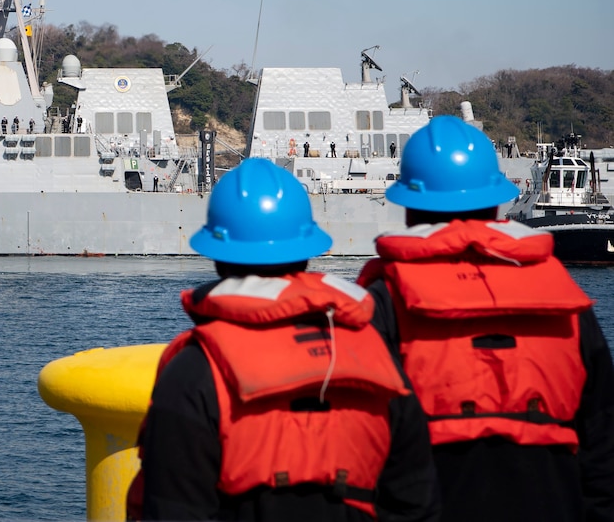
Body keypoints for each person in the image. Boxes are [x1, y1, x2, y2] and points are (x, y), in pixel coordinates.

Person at [131, 158, 438, 522]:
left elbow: (172, 510)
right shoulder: (376, 357)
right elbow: (416, 503)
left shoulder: (194, 372)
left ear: (216, 254)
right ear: (307, 250)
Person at [359, 115, 614, 522]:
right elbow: (602, 438)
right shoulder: (563, 296)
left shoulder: (384, 300)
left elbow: (359, 439)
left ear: (408, 208)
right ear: (497, 202)